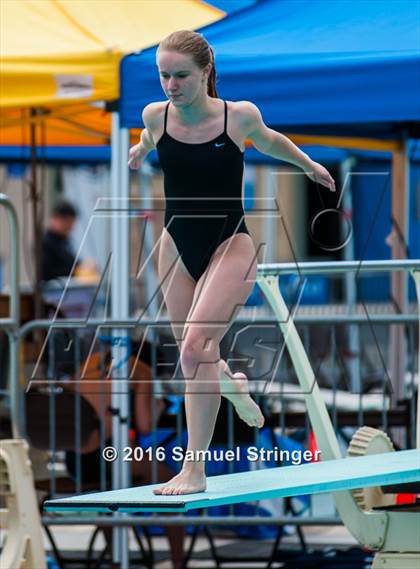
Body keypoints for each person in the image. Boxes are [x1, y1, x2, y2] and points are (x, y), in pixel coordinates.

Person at [128, 30, 336, 496]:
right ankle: (232, 383)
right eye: (164, 76)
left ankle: (194, 469)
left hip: (230, 243)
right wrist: (141, 151)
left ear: (205, 73)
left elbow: (269, 140)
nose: (171, 85)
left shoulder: (236, 116)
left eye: (181, 76)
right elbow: (148, 135)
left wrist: (307, 166)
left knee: (193, 347)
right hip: (176, 244)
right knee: (196, 358)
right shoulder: (155, 115)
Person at [41, 200, 96, 282]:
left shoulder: (63, 242)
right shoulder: (46, 243)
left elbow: (71, 261)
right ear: (57, 219)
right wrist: (76, 270)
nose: (71, 229)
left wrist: (83, 266)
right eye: (68, 224)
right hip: (52, 291)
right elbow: (49, 271)